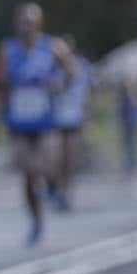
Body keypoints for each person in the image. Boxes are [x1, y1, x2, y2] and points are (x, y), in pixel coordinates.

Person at [0, 3, 77, 246]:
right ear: (16, 23)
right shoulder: (7, 49)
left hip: (45, 119)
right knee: (28, 174)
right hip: (19, 119)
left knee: (47, 165)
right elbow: (0, 82)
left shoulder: (53, 46)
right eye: (23, 21)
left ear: (40, 23)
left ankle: (55, 187)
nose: (27, 26)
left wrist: (59, 85)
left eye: (31, 21)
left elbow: (72, 71)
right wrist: (1, 99)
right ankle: (36, 220)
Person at [49, 34, 91, 210]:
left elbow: (84, 90)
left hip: (74, 119)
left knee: (70, 158)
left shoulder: (80, 66)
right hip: (54, 119)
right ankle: (54, 186)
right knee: (54, 158)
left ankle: (65, 190)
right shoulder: (50, 67)